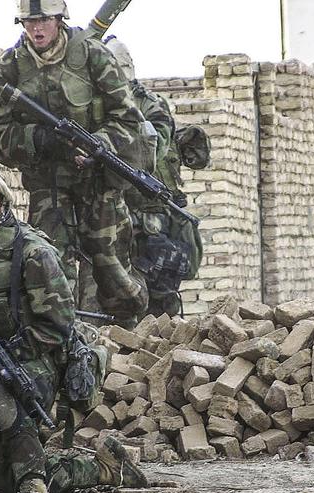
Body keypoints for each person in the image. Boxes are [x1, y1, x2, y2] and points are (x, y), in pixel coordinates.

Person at [0, 154, 147, 493]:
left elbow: (59, 326)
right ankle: (102, 469)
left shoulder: (32, 250)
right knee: (3, 478)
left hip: (42, 360)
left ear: (2, 201)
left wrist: (7, 354)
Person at [0, 0, 148, 327]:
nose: (36, 28)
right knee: (47, 267)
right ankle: (62, 343)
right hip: (49, 185)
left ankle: (128, 345)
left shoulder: (91, 55)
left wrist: (100, 144)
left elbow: (128, 120)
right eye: (29, 22)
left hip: (100, 181)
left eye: (43, 20)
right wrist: (40, 141)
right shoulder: (10, 68)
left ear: (59, 18)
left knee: (111, 267)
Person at [101, 36, 204, 317]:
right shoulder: (99, 104)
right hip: (113, 215)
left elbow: (152, 150)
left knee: (159, 299)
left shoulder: (148, 105)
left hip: (152, 218)